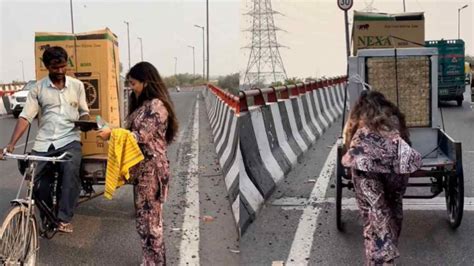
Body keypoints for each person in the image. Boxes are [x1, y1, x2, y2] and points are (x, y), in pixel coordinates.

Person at [1, 46, 90, 233]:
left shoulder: (77, 86)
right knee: (35, 180)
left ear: (67, 65)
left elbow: (84, 112)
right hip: (44, 142)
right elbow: (25, 117)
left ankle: (64, 218)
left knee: (70, 172)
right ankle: (47, 216)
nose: (59, 71)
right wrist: (10, 144)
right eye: (54, 68)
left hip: (69, 140)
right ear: (46, 66)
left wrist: (84, 122)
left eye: (63, 67)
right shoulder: (37, 89)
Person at [97, 61, 178, 265]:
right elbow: (129, 132)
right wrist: (113, 131)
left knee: (152, 223)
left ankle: (157, 263)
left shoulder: (157, 106)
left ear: (146, 82)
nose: (131, 88)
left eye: (134, 83)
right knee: (143, 221)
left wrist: (112, 134)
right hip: (142, 172)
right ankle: (149, 260)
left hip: (152, 172)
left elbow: (140, 136)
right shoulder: (143, 106)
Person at [341, 90, 422, 265]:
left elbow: (347, 143)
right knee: (393, 208)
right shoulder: (394, 116)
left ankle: (379, 260)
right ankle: (389, 251)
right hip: (396, 165)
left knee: (374, 213)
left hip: (366, 165)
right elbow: (406, 141)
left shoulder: (356, 118)